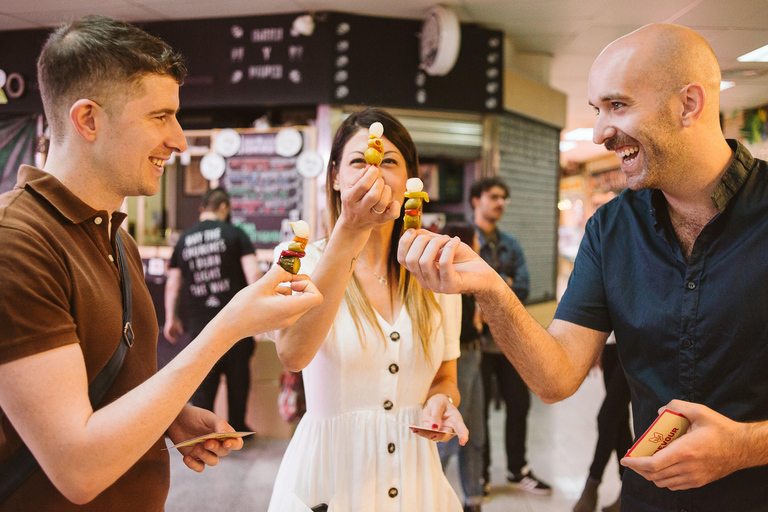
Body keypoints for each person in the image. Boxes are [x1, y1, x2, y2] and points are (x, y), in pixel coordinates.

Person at [398, 23, 768, 512]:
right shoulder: (610, 229)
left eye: (618, 105)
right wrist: (489, 287)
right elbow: (556, 378)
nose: (599, 133)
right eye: (597, 110)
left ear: (689, 104)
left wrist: (745, 445)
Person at [0, 15, 321, 510]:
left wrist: (172, 416)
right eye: (159, 116)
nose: (179, 140)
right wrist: (228, 325)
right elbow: (78, 467)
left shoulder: (114, 236)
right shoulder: (16, 243)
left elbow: (101, 388)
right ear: (88, 120)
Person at [267, 107, 468, 512]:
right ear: (337, 177)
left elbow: (446, 376)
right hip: (330, 483)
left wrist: (442, 401)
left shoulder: (436, 268)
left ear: (411, 181)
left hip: (416, 481)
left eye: (389, 161)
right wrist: (351, 229)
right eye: (359, 161)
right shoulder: (299, 261)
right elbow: (293, 354)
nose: (374, 171)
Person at [469, 177, 551, 496]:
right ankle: (480, 475)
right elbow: (461, 292)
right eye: (493, 196)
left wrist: (486, 285)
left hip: (508, 344)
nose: (500, 202)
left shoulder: (511, 244)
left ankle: (518, 470)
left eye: (504, 197)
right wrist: (504, 283)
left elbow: (525, 287)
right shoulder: (464, 242)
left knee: (519, 406)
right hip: (476, 344)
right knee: (479, 412)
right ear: (476, 199)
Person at [164, 188, 262, 433]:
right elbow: (254, 275)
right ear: (224, 208)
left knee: (202, 379)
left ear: (202, 209)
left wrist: (170, 318)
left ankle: (204, 431)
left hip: (200, 327)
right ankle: (237, 428)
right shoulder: (236, 234)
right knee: (238, 379)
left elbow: (173, 284)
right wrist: (261, 319)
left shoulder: (184, 239)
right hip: (237, 326)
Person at [437, 221, 486, 512]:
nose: (478, 245)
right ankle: (430, 493)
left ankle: (474, 499)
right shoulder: (447, 280)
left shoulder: (469, 274)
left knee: (476, 431)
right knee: (452, 432)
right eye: (475, 239)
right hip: (459, 358)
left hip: (474, 354)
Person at [572, 334, 631, 512]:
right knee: (618, 420)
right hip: (609, 344)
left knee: (607, 417)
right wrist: (595, 347)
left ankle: (592, 482)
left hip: (632, 345)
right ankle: (629, 492)